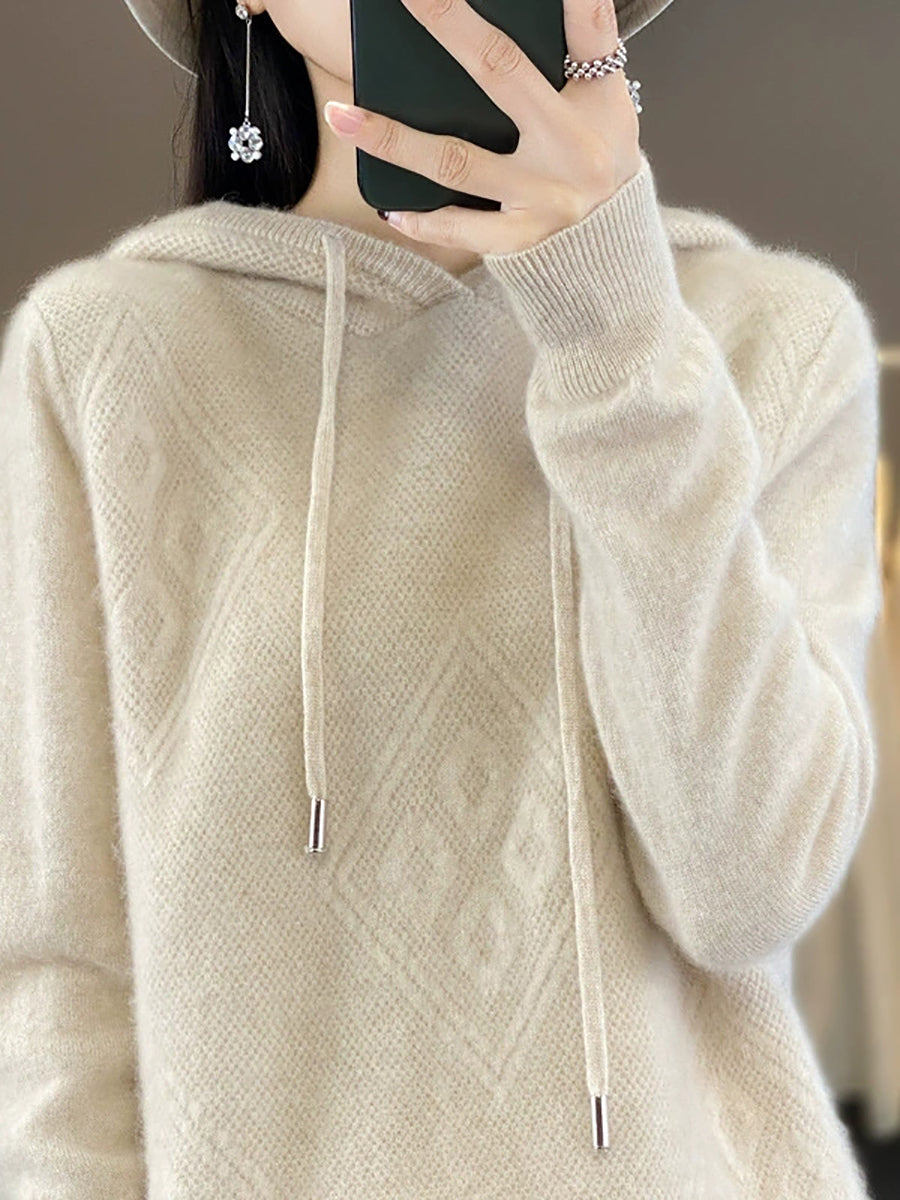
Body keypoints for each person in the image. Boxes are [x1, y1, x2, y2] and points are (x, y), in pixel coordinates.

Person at [0, 0, 883, 1196]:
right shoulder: (100, 355)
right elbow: (62, 976)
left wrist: (613, 327)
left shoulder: (767, 334)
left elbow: (748, 891)